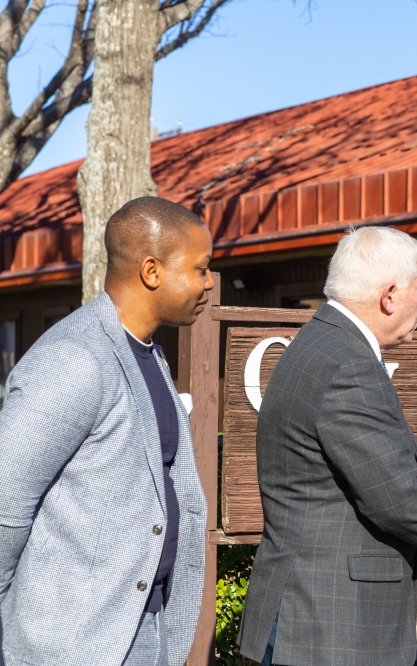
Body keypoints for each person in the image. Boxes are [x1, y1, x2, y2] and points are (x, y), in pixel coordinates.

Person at [237, 226, 417, 666]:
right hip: (330, 623)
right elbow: (396, 499)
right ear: (389, 295)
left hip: (309, 615)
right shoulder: (347, 364)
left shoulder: (321, 343)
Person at [0, 197, 214, 666]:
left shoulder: (149, 354)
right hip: (75, 643)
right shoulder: (74, 360)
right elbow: (5, 509)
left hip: (144, 627)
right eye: (200, 269)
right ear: (152, 271)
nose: (209, 282)